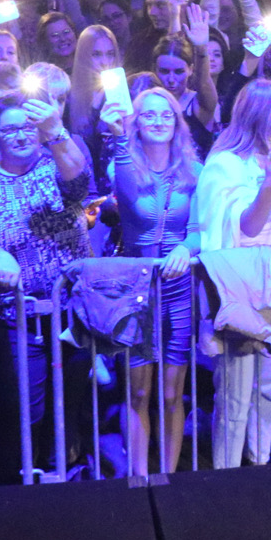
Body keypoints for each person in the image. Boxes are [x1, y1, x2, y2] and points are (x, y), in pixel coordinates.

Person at [0, 92, 92, 482]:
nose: (20, 136)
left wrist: (57, 132)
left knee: (68, 404)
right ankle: (19, 486)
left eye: (27, 127)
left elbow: (79, 182)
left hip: (72, 312)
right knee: (24, 409)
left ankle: (66, 478)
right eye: (10, 130)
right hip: (17, 316)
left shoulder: (55, 166)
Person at [192, 79, 271, 468]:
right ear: (266, 116)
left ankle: (259, 463)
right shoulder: (225, 164)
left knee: (268, 385)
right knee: (236, 389)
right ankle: (226, 474)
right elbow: (245, 228)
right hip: (240, 284)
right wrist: (269, 187)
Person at [101, 85, 199, 476]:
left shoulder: (195, 171)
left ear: (177, 123)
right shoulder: (122, 163)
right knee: (138, 391)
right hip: (136, 289)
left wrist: (186, 249)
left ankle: (169, 479)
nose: (158, 121)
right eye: (149, 115)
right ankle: (139, 480)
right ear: (136, 124)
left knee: (173, 394)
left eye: (166, 114)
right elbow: (128, 199)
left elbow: (200, 230)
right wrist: (118, 136)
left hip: (178, 289)